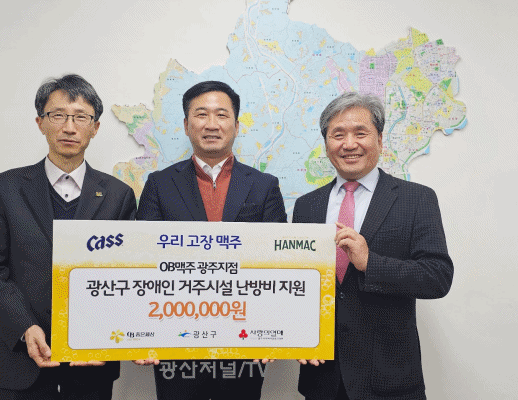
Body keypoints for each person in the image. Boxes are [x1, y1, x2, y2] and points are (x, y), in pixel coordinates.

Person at [0, 74, 136, 399]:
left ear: (95, 128)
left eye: (81, 117)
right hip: (20, 359)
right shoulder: (3, 189)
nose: (69, 127)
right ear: (40, 123)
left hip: (91, 361)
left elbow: (126, 276)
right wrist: (24, 327)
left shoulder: (119, 195)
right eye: (58, 115)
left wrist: (105, 333)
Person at [295, 91, 454, 400]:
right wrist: (295, 335)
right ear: (326, 143)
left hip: (389, 379)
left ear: (379, 140)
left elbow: (437, 277)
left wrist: (370, 262)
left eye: (360, 133)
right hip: (322, 379)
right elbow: (298, 284)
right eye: (338, 134)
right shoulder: (307, 205)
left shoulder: (416, 199)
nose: (349, 144)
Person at [135, 80, 288, 400]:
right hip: (174, 339)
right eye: (201, 114)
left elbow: (278, 264)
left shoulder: (264, 186)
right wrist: (144, 335)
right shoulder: (160, 184)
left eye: (222, 114)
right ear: (186, 125)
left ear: (236, 125)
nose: (212, 124)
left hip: (245, 341)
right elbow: (143, 262)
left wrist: (273, 332)